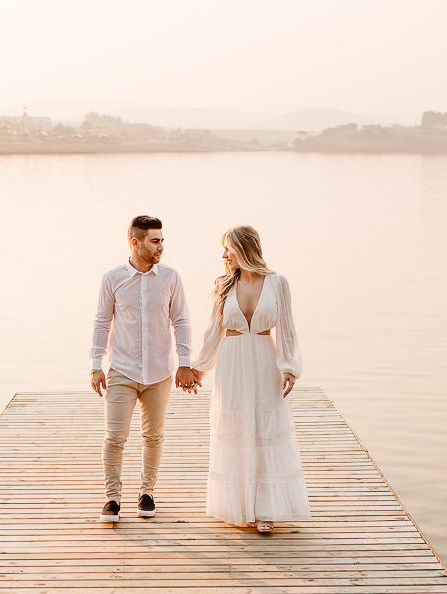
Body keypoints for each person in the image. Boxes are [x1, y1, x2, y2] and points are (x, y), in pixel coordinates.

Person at [191, 225, 310, 532]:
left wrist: (289, 367)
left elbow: (286, 328)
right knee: (236, 431)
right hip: (231, 365)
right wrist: (198, 368)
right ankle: (240, 506)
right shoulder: (222, 285)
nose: (223, 255)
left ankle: (266, 511)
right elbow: (212, 333)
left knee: (265, 432)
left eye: (227, 249)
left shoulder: (277, 283)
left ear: (243, 249)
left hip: (263, 360)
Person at [91, 216, 199, 522]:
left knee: (153, 436)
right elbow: (101, 322)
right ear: (135, 243)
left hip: (160, 371)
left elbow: (181, 320)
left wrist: (185, 363)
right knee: (115, 437)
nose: (161, 247)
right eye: (155, 241)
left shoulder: (170, 277)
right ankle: (112, 498)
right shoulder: (112, 278)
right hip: (122, 369)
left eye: (162, 240)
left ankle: (147, 493)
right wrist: (95, 365)